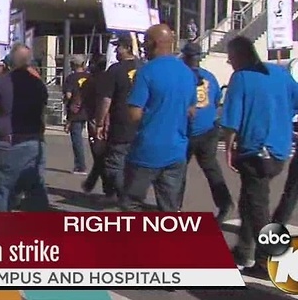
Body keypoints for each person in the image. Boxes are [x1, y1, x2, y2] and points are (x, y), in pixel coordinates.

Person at [221, 36, 298, 271]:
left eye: (231, 57)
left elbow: (232, 120)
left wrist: (229, 149)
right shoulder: (280, 74)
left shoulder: (241, 77)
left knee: (257, 208)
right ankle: (243, 250)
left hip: (255, 151)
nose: (230, 61)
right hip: (279, 149)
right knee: (249, 200)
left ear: (240, 55)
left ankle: (269, 259)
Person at [120, 24, 197, 212]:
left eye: (145, 42)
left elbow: (134, 113)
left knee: (131, 203)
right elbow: (192, 110)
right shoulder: (187, 73)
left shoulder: (146, 72)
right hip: (177, 150)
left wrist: (153, 118)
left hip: (147, 149)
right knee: (169, 207)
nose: (143, 46)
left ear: (154, 44)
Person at [0, 43, 49, 212]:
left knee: (3, 188)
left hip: (8, 142)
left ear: (11, 60)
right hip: (34, 141)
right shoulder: (38, 84)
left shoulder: (2, 82)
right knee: (35, 187)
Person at [179, 42, 233, 221]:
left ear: (185, 57)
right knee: (211, 169)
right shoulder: (210, 76)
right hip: (208, 129)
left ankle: (174, 206)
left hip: (186, 131)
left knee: (177, 170)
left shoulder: (181, 76)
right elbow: (216, 100)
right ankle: (225, 203)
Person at [94, 33, 139, 203]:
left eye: (118, 46)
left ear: (127, 47)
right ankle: (131, 195)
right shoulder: (143, 67)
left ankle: (124, 198)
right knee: (133, 162)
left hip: (121, 123)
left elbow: (106, 100)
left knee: (115, 163)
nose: (116, 50)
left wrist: (100, 122)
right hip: (140, 123)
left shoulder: (115, 70)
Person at [81, 54, 113, 195]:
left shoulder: (91, 81)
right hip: (110, 120)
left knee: (99, 155)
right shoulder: (109, 78)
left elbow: (80, 100)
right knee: (104, 155)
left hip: (96, 119)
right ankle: (93, 183)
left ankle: (107, 189)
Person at [62, 54, 89, 175]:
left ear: (72, 64)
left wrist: (66, 103)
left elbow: (68, 95)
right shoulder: (90, 77)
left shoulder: (70, 78)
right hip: (89, 109)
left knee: (77, 138)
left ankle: (80, 165)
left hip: (75, 111)